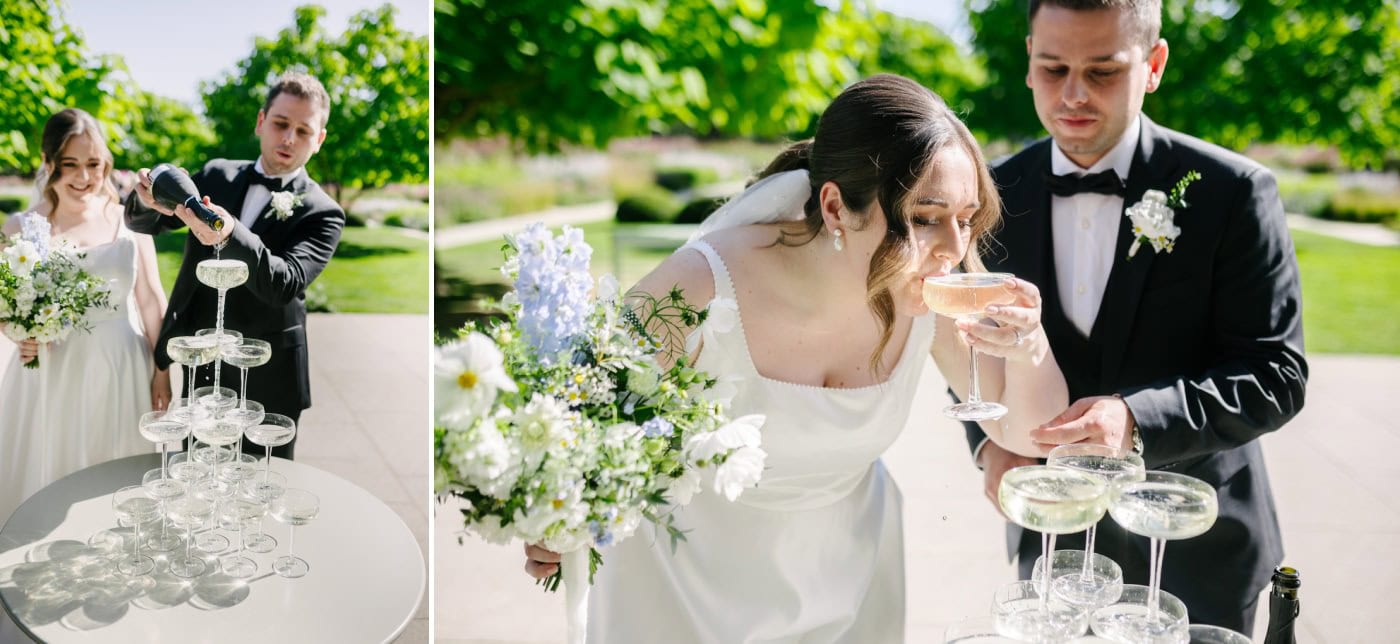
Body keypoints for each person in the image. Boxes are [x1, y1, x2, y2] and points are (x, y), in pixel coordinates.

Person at [523, 74, 1070, 642]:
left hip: (849, 583)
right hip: (681, 593)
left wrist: (1030, 345)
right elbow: (582, 410)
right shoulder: (703, 282)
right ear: (835, 206)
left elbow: (1032, 434)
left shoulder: (928, 292)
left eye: (966, 218)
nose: (954, 250)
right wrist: (553, 511)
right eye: (925, 218)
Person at [961, 0, 1307, 632]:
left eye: (1102, 71)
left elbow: (1277, 374)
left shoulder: (1232, 192)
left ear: (1153, 64)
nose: (1073, 94)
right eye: (1053, 67)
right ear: (1029, 64)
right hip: (1056, 551)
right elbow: (973, 342)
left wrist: (1137, 420)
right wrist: (988, 444)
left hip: (1198, 548)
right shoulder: (992, 196)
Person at [126, 71, 345, 460]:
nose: (289, 138)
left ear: (320, 139)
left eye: (303, 131)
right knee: (197, 473)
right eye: (280, 124)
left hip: (270, 371)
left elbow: (284, 282)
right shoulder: (216, 174)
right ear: (261, 121)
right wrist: (146, 199)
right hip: (203, 362)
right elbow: (151, 223)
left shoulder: (324, 212)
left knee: (262, 486)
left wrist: (230, 234)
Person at [0, 108, 170, 522]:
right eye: (70, 165)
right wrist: (15, 331)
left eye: (93, 164)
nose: (84, 177)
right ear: (48, 162)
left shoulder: (130, 222)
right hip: (51, 374)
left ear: (106, 164)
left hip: (122, 370)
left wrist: (161, 371)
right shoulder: (21, 227)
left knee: (116, 477)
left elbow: (151, 300)